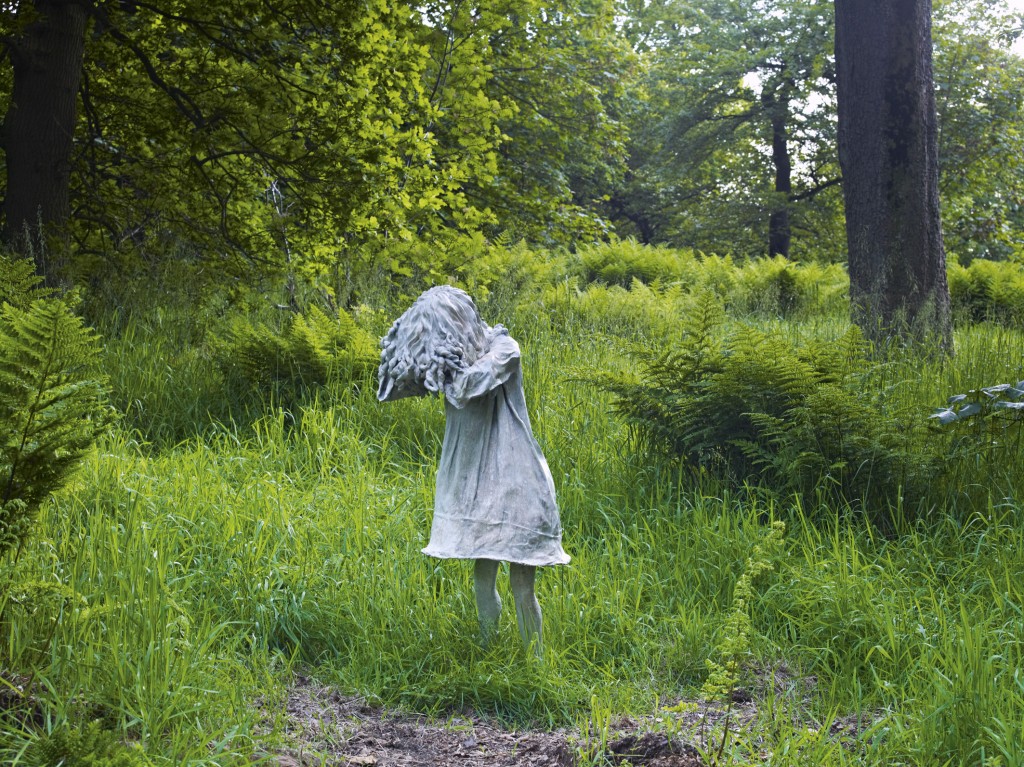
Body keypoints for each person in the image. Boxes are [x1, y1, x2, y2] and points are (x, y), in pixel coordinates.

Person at [378, 286, 569, 654]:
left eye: (444, 330)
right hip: (480, 486)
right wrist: (417, 356)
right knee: (483, 581)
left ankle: (537, 664)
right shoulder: (449, 366)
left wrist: (444, 363)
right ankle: (487, 651)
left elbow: (469, 387)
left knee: (522, 586)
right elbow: (394, 387)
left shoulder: (503, 349)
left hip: (518, 480)